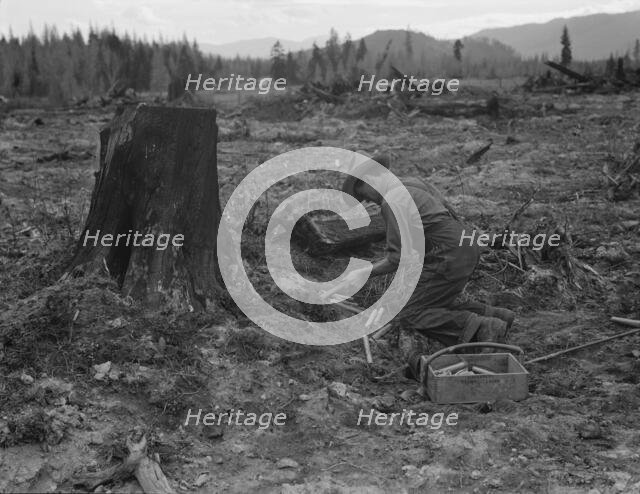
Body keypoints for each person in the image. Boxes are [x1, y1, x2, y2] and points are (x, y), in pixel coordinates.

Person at [338, 153, 515, 378]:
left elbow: (397, 257)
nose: (370, 202)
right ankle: (497, 316)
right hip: (463, 244)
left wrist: (364, 273)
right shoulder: (413, 183)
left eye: (365, 196)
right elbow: (447, 213)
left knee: (411, 313)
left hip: (448, 254)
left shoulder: (392, 201)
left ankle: (482, 327)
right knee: (436, 303)